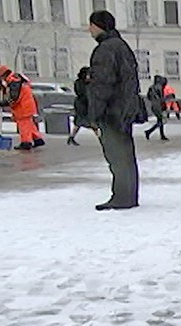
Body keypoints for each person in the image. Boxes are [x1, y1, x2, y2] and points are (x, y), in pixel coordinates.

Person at [86, 10, 143, 211]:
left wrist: (94, 115)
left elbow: (102, 85)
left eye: (91, 25)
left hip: (112, 110)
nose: (89, 29)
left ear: (100, 26)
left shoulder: (105, 50)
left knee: (116, 155)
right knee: (126, 155)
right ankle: (128, 195)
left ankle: (121, 197)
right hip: (124, 109)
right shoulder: (121, 46)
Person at [0, 64, 44, 151]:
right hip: (27, 105)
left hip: (23, 107)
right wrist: (4, 88)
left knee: (23, 125)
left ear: (3, 74)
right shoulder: (15, 79)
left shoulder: (14, 81)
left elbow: (14, 96)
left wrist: (6, 103)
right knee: (29, 124)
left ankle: (26, 143)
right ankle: (37, 139)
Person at [67, 66, 90, 146]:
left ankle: (71, 137)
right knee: (87, 121)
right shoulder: (80, 83)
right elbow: (82, 93)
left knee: (79, 122)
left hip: (82, 103)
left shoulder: (83, 82)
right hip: (82, 104)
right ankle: (101, 137)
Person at [145, 75, 169, 141]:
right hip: (158, 106)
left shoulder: (151, 87)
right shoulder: (159, 88)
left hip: (153, 105)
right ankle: (149, 131)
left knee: (160, 121)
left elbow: (148, 97)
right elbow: (161, 98)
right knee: (160, 121)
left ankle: (161, 135)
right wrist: (163, 105)